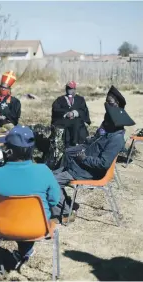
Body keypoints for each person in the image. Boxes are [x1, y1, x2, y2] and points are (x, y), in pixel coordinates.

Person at [51, 86, 135, 223]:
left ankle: (66, 212)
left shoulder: (116, 138)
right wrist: (83, 145)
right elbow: (95, 139)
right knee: (64, 156)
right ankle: (65, 201)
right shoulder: (108, 125)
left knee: (51, 181)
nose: (106, 121)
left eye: (110, 105)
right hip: (82, 163)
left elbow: (103, 164)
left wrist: (84, 158)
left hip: (88, 170)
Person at [0, 125, 60, 267]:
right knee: (30, 215)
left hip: (3, 228)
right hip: (38, 228)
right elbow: (54, 200)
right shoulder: (44, 171)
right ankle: (26, 251)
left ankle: (24, 251)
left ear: (9, 150)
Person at [51, 81, 91, 147]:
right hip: (64, 123)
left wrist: (74, 113)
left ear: (75, 89)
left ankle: (76, 144)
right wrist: (66, 113)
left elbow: (84, 111)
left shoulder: (80, 99)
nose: (69, 90)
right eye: (68, 88)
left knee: (80, 128)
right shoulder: (60, 100)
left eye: (71, 89)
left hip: (77, 125)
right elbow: (55, 110)